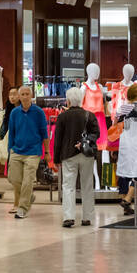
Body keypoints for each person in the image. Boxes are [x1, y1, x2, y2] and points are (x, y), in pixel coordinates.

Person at [52, 86, 97, 227]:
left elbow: (58, 140)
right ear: (82, 99)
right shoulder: (89, 115)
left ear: (68, 101)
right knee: (87, 185)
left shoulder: (62, 117)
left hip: (68, 155)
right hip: (86, 154)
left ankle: (68, 217)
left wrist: (56, 159)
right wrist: (86, 141)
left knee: (68, 186)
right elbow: (96, 134)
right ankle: (87, 217)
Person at [5, 85, 47, 219]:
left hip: (33, 152)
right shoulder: (14, 113)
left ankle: (22, 208)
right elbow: (12, 133)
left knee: (28, 181)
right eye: (22, 94)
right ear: (19, 96)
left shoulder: (39, 112)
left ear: (31, 95)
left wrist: (47, 152)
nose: (24, 97)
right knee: (14, 179)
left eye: (27, 94)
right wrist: (10, 150)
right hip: (16, 150)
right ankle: (29, 196)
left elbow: (45, 133)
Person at [113, 82, 137, 214]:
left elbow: (115, 124)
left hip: (125, 142)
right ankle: (128, 198)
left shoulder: (123, 108)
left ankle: (125, 202)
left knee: (124, 170)